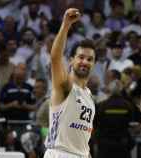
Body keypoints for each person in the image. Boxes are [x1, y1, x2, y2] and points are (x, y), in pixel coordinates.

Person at [44, 8, 96, 158]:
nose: (85, 62)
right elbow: (55, 58)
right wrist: (66, 25)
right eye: (81, 57)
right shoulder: (65, 86)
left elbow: (83, 139)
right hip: (60, 153)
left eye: (90, 59)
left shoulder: (89, 95)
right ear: (72, 59)